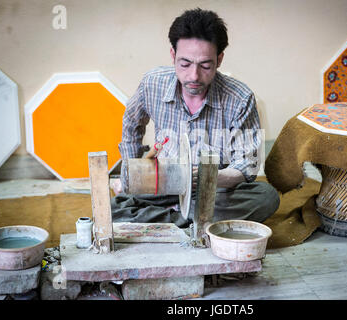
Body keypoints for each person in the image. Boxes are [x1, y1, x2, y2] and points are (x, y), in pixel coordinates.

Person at [111, 8, 279, 227]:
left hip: (214, 187)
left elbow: (246, 166)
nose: (193, 76)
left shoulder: (240, 98)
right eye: (185, 64)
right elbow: (131, 123)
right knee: (115, 208)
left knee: (266, 196)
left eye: (205, 65)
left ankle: (172, 218)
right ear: (173, 55)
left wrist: (205, 178)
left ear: (219, 59)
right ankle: (193, 220)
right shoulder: (152, 83)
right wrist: (132, 170)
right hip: (165, 181)